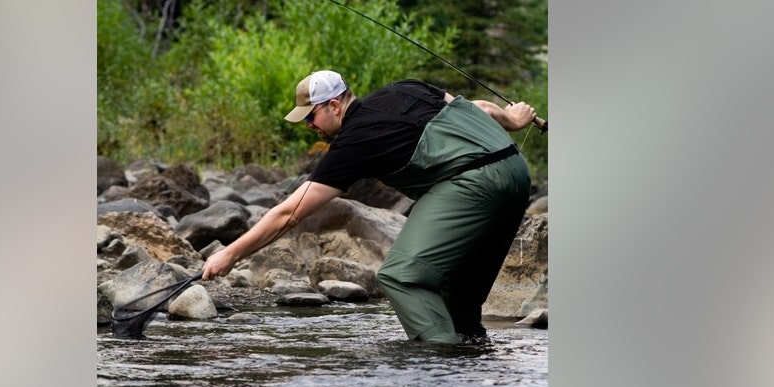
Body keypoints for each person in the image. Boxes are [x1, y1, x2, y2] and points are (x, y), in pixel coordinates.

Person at [201, 70, 537, 345]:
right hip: (517, 174)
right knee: (457, 301)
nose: (308, 126)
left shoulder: (353, 143)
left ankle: (438, 365)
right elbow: (478, 108)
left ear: (334, 105)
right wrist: (513, 119)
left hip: (476, 185)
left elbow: (290, 213)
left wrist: (229, 254)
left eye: (311, 116)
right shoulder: (405, 88)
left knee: (401, 277)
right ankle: (475, 369)